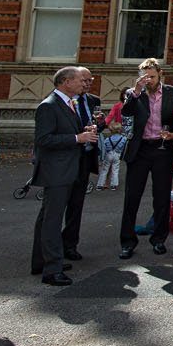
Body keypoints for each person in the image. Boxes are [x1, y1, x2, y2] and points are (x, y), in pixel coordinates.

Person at [31, 66, 97, 286]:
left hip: (69, 168)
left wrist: (85, 133)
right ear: (66, 82)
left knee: (47, 217)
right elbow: (43, 140)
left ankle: (41, 260)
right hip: (56, 171)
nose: (83, 84)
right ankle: (52, 269)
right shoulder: (49, 106)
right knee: (52, 219)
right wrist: (77, 138)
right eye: (79, 80)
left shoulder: (70, 103)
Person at [118, 59, 173, 259]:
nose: (149, 81)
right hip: (140, 149)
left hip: (163, 149)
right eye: (145, 77)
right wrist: (136, 92)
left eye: (152, 76)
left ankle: (159, 239)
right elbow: (125, 114)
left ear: (160, 73)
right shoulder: (134, 93)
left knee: (161, 196)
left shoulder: (172, 93)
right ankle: (127, 242)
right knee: (132, 197)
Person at [59, 66, 99, 263]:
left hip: (85, 158)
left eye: (90, 81)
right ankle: (52, 247)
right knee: (57, 206)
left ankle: (70, 244)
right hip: (66, 160)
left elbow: (98, 125)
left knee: (76, 205)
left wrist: (99, 124)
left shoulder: (93, 101)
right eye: (84, 80)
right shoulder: (63, 102)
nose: (87, 84)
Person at [98, 116, 126, 191]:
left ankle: (100, 184)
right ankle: (113, 185)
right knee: (115, 169)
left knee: (104, 169)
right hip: (117, 154)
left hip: (108, 154)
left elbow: (104, 147)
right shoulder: (123, 138)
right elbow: (124, 146)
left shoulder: (107, 139)